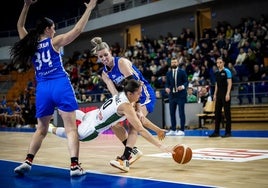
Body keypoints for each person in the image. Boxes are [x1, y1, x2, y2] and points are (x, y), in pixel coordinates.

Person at [10, 0, 97, 177]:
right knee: (71, 129)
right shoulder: (54, 42)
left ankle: (28, 160)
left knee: (41, 129)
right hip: (59, 84)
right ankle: (74, 166)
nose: (55, 31)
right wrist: (89, 9)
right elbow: (77, 30)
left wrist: (25, 5)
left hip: (42, 89)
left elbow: (20, 25)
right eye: (54, 28)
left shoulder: (30, 44)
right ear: (48, 29)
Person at [49, 79, 172, 172]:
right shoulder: (126, 106)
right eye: (139, 94)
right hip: (91, 129)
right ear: (130, 93)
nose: (140, 96)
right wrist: (162, 146)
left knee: (113, 124)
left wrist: (157, 130)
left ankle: (129, 152)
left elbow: (141, 119)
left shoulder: (123, 95)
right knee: (72, 134)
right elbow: (140, 129)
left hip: (94, 115)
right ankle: (51, 128)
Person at [90, 37, 157, 166]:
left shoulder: (121, 63)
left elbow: (136, 86)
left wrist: (137, 109)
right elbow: (115, 95)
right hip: (129, 97)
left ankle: (125, 158)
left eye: (106, 54)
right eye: (101, 56)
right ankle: (132, 151)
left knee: (134, 124)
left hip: (143, 94)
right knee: (113, 124)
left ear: (110, 52)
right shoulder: (105, 74)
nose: (104, 58)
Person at [209, 57, 232, 138]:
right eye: (217, 63)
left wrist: (228, 93)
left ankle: (228, 132)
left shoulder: (227, 71)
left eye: (220, 62)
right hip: (218, 95)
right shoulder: (216, 73)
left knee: (227, 113)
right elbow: (216, 85)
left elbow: (229, 83)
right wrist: (215, 94)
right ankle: (216, 132)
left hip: (225, 94)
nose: (219, 64)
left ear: (223, 63)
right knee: (217, 113)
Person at [165, 58, 188, 136]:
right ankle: (173, 129)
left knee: (181, 113)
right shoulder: (168, 73)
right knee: (172, 113)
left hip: (180, 95)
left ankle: (182, 130)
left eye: (175, 62)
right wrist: (166, 88)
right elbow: (167, 83)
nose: (173, 64)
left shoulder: (182, 72)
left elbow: (186, 82)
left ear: (177, 63)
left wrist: (182, 86)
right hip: (172, 95)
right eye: (172, 62)